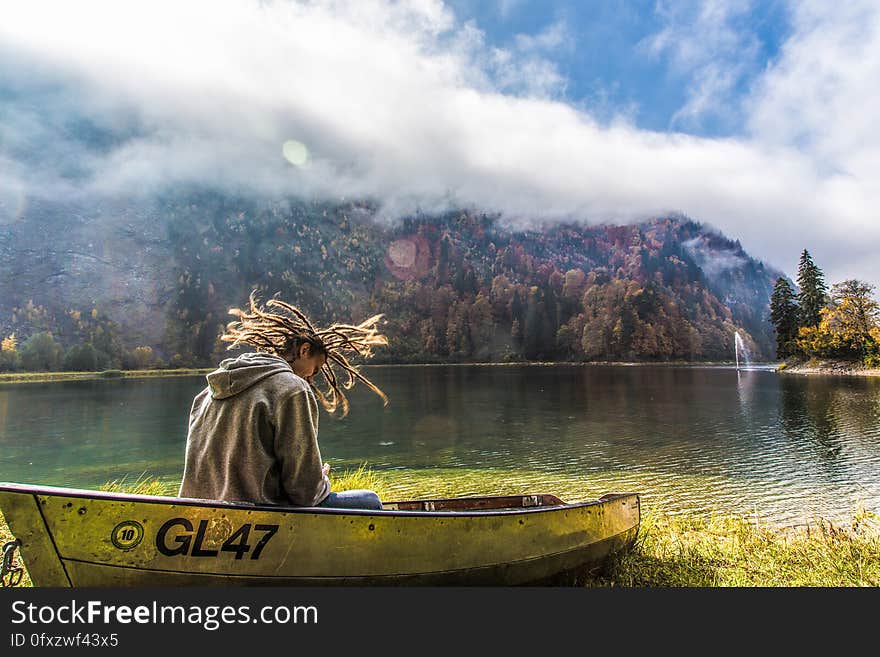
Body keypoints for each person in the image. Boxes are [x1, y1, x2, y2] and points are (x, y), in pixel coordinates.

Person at [178, 293, 389, 510]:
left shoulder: (207, 393)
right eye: (315, 369)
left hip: (198, 514)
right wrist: (322, 481)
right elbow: (305, 493)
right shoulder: (292, 389)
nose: (310, 378)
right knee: (370, 501)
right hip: (258, 516)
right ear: (304, 350)